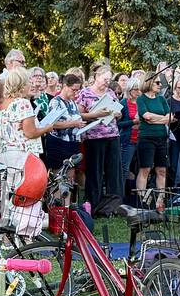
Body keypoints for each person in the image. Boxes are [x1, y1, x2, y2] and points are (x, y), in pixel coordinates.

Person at [77, 64, 122, 213]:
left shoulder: (110, 92)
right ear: (96, 77)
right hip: (94, 137)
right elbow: (79, 115)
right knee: (95, 172)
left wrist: (117, 113)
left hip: (112, 135)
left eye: (109, 80)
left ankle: (113, 205)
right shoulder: (85, 93)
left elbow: (118, 112)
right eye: (104, 79)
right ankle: (94, 204)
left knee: (113, 171)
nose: (107, 83)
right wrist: (95, 114)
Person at [135, 74, 172, 208]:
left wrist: (155, 119)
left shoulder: (161, 99)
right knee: (145, 169)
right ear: (149, 82)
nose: (160, 85)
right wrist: (162, 118)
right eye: (157, 82)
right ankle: (142, 203)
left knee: (162, 170)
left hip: (161, 137)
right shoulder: (141, 99)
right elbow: (146, 116)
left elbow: (170, 117)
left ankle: (160, 202)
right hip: (146, 138)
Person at [0, 67, 47, 161]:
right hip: (23, 155)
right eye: (29, 82)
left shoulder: (3, 105)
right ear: (22, 85)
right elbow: (30, 133)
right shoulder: (23, 103)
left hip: (5, 155)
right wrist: (48, 128)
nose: (31, 85)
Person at [41, 72, 85, 170]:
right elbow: (52, 124)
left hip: (72, 142)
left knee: (71, 173)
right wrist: (73, 123)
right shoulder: (56, 102)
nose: (76, 93)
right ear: (65, 86)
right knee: (59, 172)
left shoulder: (72, 102)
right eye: (73, 90)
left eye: (77, 90)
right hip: (59, 143)